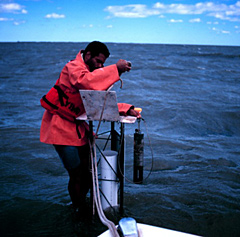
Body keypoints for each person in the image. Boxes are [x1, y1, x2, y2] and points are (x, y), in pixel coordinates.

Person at [40, 41, 139, 212]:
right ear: (87, 55)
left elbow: (100, 103)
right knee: (76, 175)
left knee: (88, 174)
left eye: (103, 63)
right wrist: (115, 69)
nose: (100, 66)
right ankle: (78, 210)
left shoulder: (90, 73)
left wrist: (126, 109)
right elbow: (86, 82)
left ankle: (86, 207)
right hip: (60, 129)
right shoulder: (73, 68)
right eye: (98, 61)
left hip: (78, 129)